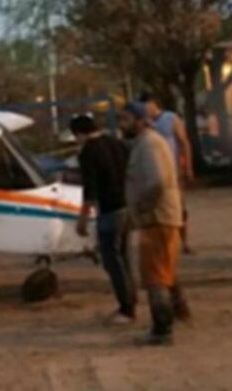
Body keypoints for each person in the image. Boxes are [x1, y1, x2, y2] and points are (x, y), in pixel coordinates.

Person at [120, 101, 188, 345]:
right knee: (164, 269)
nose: (122, 125)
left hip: (156, 218)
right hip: (157, 217)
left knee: (155, 275)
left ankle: (162, 328)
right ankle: (179, 310)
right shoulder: (146, 143)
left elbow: (156, 182)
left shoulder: (149, 145)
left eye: (126, 120)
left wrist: (141, 208)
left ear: (141, 121)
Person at [70, 113, 137, 326]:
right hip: (127, 205)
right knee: (124, 257)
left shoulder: (88, 152)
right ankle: (131, 298)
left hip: (109, 210)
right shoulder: (116, 144)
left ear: (79, 134)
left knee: (112, 260)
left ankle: (126, 308)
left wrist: (82, 217)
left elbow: (90, 189)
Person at [139, 93, 194, 255]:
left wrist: (188, 167)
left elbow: (183, 143)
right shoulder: (143, 122)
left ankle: (185, 242)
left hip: (173, 170)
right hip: (152, 170)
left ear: (153, 103)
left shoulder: (170, 119)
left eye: (146, 105)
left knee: (179, 207)